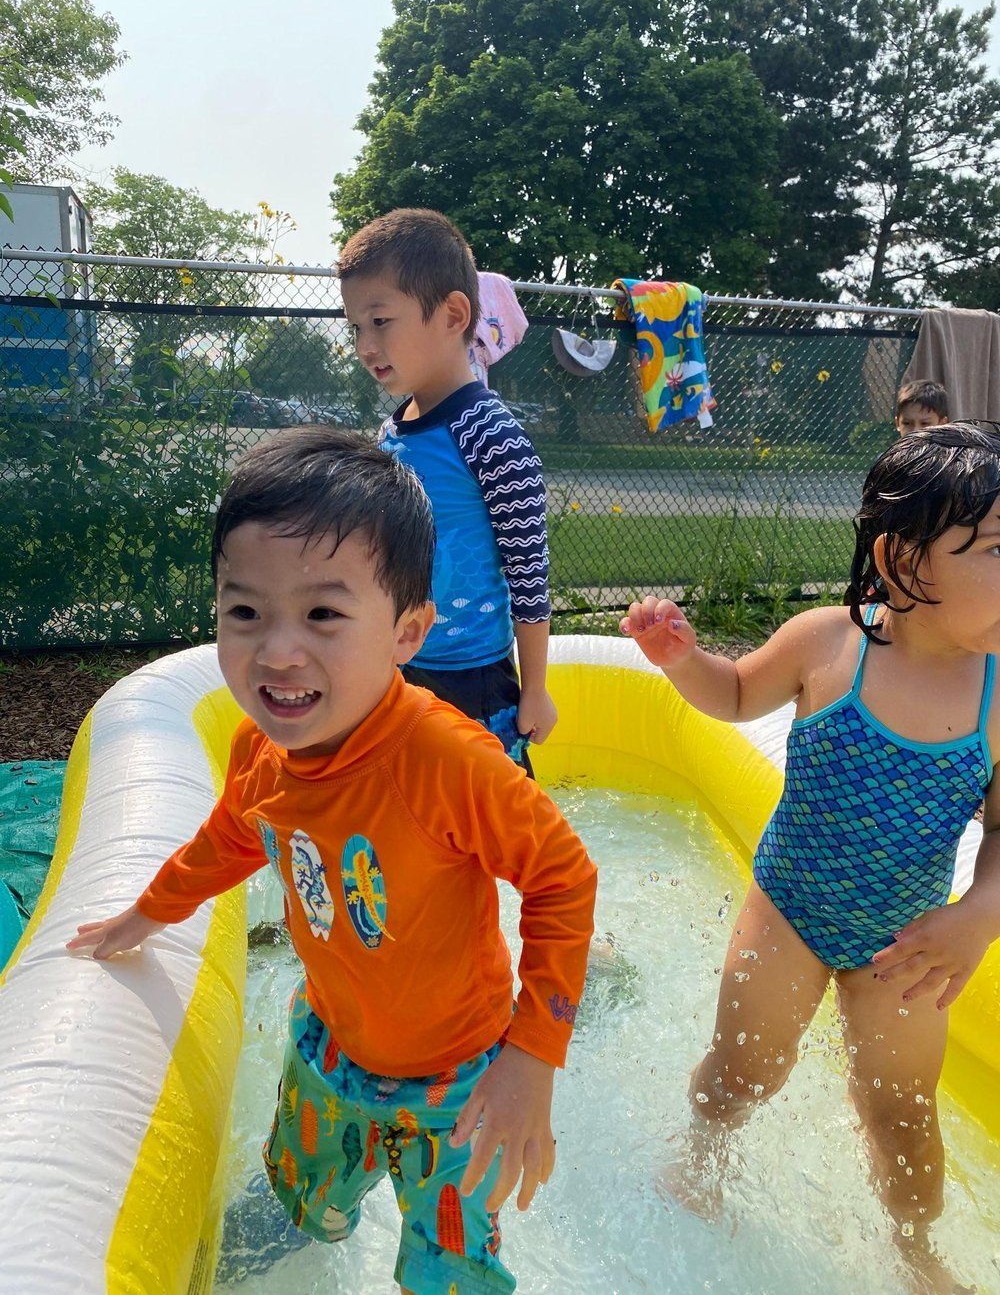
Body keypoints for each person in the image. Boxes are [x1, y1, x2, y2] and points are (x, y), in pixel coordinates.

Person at [67, 428, 597, 1295]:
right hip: (331, 1054)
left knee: (450, 1274)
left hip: (459, 1084)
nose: (277, 651)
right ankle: (300, 1224)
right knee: (290, 1216)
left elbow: (563, 875)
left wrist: (531, 1059)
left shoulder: (443, 760)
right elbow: (233, 838)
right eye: (245, 611)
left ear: (407, 630)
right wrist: (147, 913)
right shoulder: (262, 750)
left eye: (322, 613)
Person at [621, 421, 1000, 1293]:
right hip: (789, 908)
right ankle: (704, 1153)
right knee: (743, 1069)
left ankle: (914, 1249)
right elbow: (740, 692)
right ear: (907, 562)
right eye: (992, 547)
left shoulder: (993, 689)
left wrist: (976, 919)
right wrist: (685, 660)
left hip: (904, 947)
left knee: (903, 1113)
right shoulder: (832, 644)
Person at [338, 208, 556, 774]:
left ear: (454, 314)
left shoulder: (491, 435)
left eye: (381, 320)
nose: (365, 344)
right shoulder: (392, 430)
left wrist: (535, 688)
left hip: (472, 679)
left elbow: (528, 571)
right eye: (356, 327)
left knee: (492, 830)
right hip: (394, 666)